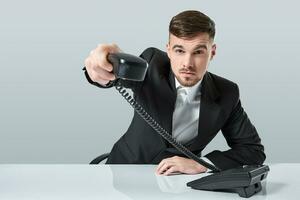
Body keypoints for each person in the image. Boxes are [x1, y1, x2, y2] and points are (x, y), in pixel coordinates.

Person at [83, 10, 266, 176]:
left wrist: (202, 164)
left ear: (212, 52)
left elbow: (252, 150)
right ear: (168, 50)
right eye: (179, 50)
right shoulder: (152, 63)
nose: (187, 63)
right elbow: (111, 78)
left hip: (179, 183)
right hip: (125, 171)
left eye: (198, 52)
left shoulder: (227, 92)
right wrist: (101, 67)